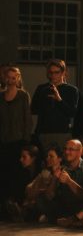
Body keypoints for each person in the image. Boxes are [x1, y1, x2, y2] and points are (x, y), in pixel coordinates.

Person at [36, 139, 83, 226]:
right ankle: (62, 219)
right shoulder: (63, 168)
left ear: (80, 152)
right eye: (65, 149)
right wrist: (54, 178)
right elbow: (49, 196)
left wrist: (69, 182)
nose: (66, 152)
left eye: (71, 149)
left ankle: (65, 219)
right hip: (66, 207)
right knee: (41, 197)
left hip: (81, 207)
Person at [0, 66, 33, 206]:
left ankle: (17, 202)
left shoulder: (23, 96)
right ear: (4, 78)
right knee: (4, 171)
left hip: (19, 140)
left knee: (17, 172)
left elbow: (27, 119)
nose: (11, 80)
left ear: (18, 78)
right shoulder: (1, 96)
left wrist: (26, 140)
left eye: (14, 77)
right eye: (9, 77)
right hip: (3, 141)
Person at [31, 59, 80, 151]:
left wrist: (59, 99)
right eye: (51, 72)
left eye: (56, 72)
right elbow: (33, 109)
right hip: (43, 132)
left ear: (63, 73)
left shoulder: (72, 90)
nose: (53, 75)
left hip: (62, 132)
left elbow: (72, 113)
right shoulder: (42, 88)